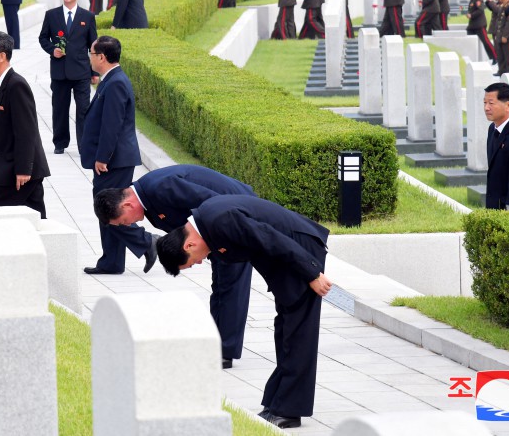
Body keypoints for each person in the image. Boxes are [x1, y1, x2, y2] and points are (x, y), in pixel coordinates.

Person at [157, 195, 332, 429]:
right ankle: (276, 403)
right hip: (288, 258)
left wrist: (312, 272)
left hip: (300, 251)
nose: (198, 264)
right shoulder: (208, 220)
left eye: (191, 263)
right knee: (286, 332)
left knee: (298, 335)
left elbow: (270, 238)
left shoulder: (219, 221)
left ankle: (288, 411)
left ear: (188, 245)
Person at [93, 164, 257, 367]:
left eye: (122, 221)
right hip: (217, 229)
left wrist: (218, 241)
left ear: (127, 205)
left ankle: (223, 351)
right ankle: (217, 346)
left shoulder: (159, 188)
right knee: (221, 284)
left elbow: (214, 203)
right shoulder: (148, 200)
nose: (127, 225)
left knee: (230, 284)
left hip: (235, 215)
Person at [81, 36, 152, 275]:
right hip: (114, 159)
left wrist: (103, 157)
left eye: (91, 53)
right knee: (109, 209)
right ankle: (113, 261)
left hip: (114, 161)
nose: (89, 57)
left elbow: (112, 125)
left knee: (106, 208)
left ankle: (145, 242)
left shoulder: (116, 83)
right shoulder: (110, 80)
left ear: (101, 57)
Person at [0, 31, 50, 216]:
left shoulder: (16, 85)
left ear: (1, 56)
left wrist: (24, 170)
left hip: (20, 172)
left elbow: (26, 131)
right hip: (21, 170)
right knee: (37, 217)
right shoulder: (1, 84)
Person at [38, 0, 98, 155]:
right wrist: (52, 50)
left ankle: (83, 144)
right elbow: (42, 38)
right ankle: (60, 142)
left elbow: (93, 45)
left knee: (83, 110)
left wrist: (94, 72)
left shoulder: (87, 17)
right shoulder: (52, 15)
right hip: (59, 71)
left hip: (81, 72)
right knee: (60, 109)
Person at [483, 82, 509, 210]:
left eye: (491, 103)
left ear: (508, 105)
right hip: (493, 204)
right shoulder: (492, 128)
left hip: (507, 207)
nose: (486, 108)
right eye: (485, 103)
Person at [466, 0, 497, 64]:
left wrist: (471, 15)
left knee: (486, 42)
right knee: (470, 40)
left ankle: (495, 57)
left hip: (479, 24)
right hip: (473, 25)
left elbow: (480, 10)